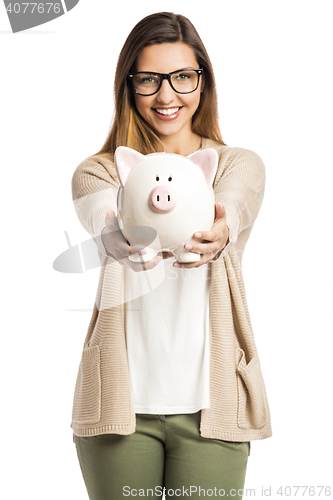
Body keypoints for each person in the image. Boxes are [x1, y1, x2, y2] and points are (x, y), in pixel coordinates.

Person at [70, 11, 272, 500]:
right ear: (128, 86)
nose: (166, 96)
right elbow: (101, 212)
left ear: (202, 81)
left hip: (213, 408)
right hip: (120, 408)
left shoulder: (235, 165)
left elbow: (236, 204)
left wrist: (223, 229)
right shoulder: (100, 171)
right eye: (148, 80)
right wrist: (114, 234)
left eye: (182, 77)